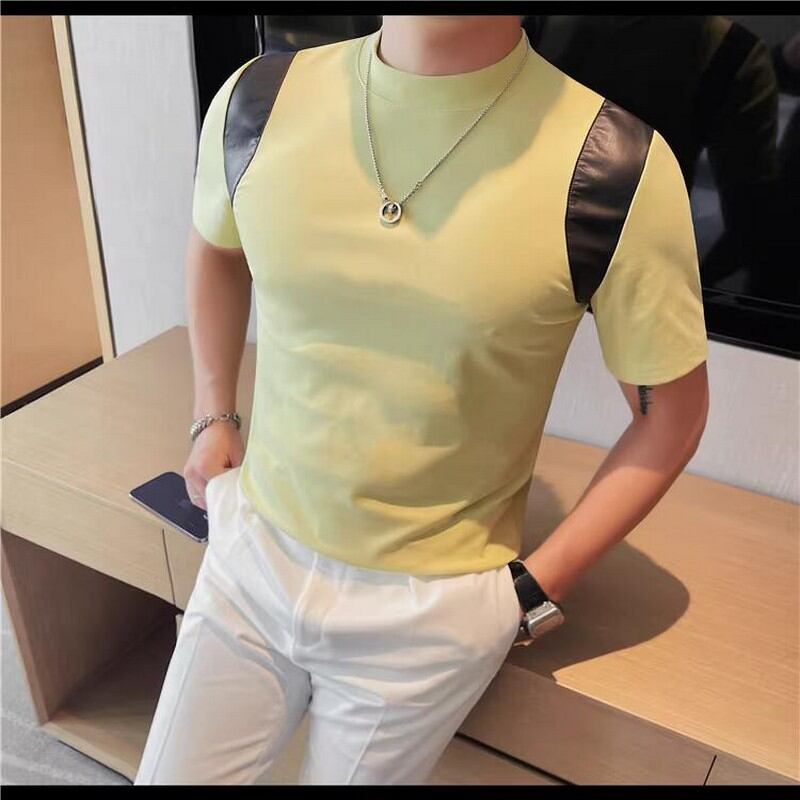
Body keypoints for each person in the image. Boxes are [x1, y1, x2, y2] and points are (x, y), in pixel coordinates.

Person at [134, 14, 709, 785]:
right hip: (252, 550)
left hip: (429, 612)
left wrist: (531, 593)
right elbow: (217, 241)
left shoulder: (613, 165)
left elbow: (672, 413)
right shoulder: (259, 96)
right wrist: (213, 414)